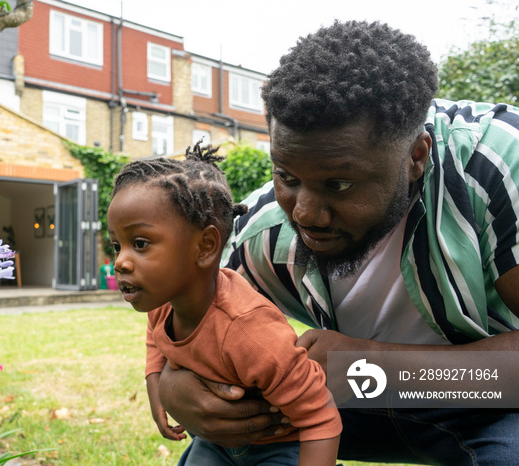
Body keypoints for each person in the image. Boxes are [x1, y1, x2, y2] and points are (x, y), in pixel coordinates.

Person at [152, 20, 519, 466]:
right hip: (326, 409)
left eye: (339, 184)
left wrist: (371, 368)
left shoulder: (496, 166)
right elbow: (183, 324)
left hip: (495, 408)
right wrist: (177, 387)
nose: (304, 213)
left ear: (415, 156)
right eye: (286, 176)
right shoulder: (259, 230)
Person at [107, 143, 342, 465]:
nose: (120, 261)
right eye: (116, 245)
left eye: (140, 244)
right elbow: (155, 341)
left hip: (280, 447)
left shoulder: (248, 331)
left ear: (205, 246)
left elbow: (320, 417)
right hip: (215, 443)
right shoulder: (163, 305)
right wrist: (157, 394)